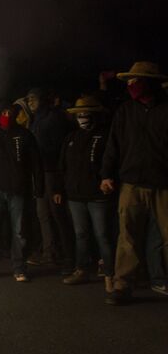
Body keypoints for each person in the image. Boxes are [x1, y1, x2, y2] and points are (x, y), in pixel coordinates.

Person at [101, 61, 168, 305]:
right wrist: (106, 174)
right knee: (127, 235)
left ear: (149, 82)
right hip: (132, 183)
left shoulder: (165, 109)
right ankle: (122, 285)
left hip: (163, 184)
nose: (130, 85)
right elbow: (113, 145)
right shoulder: (125, 111)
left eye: (135, 80)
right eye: (128, 81)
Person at [0, 102, 43, 282]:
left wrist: (39, 186)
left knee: (19, 232)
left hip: (18, 190)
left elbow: (36, 163)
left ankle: (19, 268)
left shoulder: (25, 135)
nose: (7, 115)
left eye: (9, 112)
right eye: (3, 112)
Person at [54, 96, 115, 290]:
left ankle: (111, 273)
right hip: (75, 195)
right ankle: (82, 269)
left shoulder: (105, 136)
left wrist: (107, 180)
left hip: (98, 196)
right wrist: (58, 189)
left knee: (103, 235)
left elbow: (110, 162)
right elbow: (62, 166)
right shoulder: (71, 137)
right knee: (81, 234)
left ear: (95, 115)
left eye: (86, 114)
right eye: (79, 114)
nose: (82, 117)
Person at [26, 88, 75, 272]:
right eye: (28, 99)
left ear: (43, 100)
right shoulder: (36, 119)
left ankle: (69, 256)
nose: (30, 103)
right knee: (43, 214)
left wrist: (59, 180)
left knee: (58, 214)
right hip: (40, 172)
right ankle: (50, 253)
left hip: (52, 172)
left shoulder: (53, 119)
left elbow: (58, 149)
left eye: (33, 99)